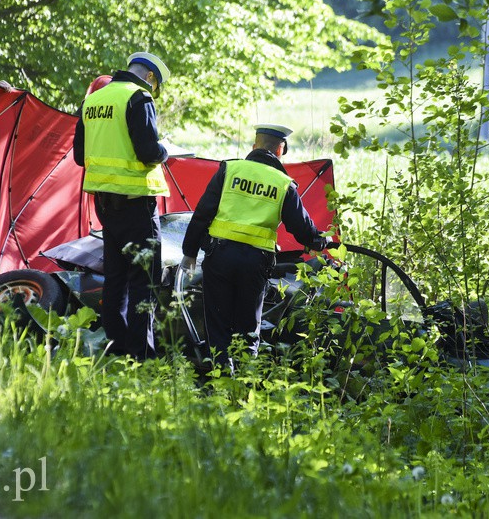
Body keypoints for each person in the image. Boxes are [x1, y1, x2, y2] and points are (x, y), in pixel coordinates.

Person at [180, 124, 328, 366]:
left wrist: (189, 252)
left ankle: (219, 380)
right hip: (255, 264)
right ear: (280, 150)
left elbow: (203, 213)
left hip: (219, 257)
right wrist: (320, 241)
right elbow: (301, 229)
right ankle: (245, 384)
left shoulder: (230, 170)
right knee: (248, 327)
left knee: (217, 325)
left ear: (254, 146)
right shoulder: (283, 184)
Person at [72, 52, 170, 360]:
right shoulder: (138, 98)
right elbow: (148, 152)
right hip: (136, 203)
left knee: (115, 278)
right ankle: (142, 356)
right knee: (145, 280)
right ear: (151, 78)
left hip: (105, 204)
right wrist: (165, 150)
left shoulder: (93, 101)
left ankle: (115, 348)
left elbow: (79, 156)